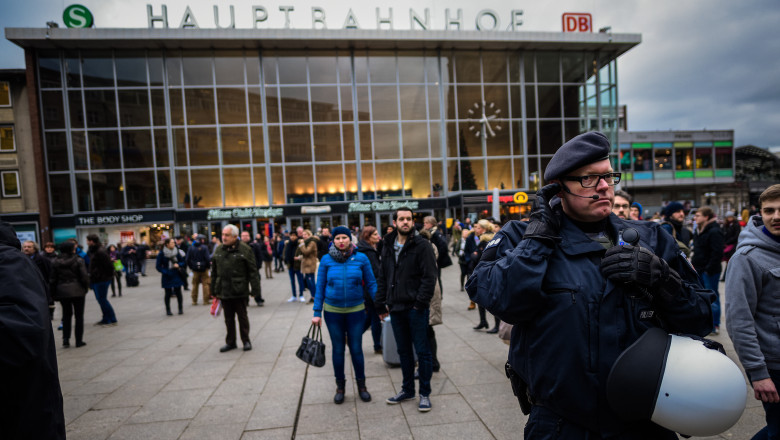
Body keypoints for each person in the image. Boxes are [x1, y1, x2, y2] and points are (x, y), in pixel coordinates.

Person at [467, 131, 713, 438]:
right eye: (588, 179)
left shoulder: (652, 237)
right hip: (562, 424)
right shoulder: (521, 236)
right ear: (559, 188)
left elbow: (703, 316)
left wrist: (663, 279)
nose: (603, 187)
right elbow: (504, 301)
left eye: (608, 177)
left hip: (648, 421)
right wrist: (537, 240)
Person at [0, 222, 66, 439]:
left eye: (30, 247)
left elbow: (25, 334)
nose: (27, 250)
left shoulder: (9, 262)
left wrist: (49, 300)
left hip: (22, 408)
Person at [726, 184, 780, 440]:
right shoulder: (747, 258)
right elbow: (739, 321)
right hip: (773, 365)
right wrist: (758, 373)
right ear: (760, 213)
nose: (776, 216)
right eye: (769, 210)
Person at [375, 208, 438, 412]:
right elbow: (383, 276)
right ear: (394, 221)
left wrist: (420, 303)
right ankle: (408, 389)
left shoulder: (422, 245)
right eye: (401, 219)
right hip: (396, 307)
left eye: (408, 219)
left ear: (412, 222)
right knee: (403, 351)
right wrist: (380, 302)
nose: (405, 222)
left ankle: (425, 393)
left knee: (423, 351)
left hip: (415, 308)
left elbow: (429, 277)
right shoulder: (387, 244)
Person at [312, 226, 378, 404]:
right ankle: (340, 387)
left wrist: (380, 304)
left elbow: (371, 283)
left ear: (350, 239)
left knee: (356, 349)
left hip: (356, 311)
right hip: (333, 313)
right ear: (333, 240)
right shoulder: (326, 260)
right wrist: (317, 312)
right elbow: (320, 287)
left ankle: (362, 386)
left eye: (344, 238)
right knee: (338, 349)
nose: (341, 241)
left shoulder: (361, 258)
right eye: (338, 238)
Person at [211, 225, 261, 352]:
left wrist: (255, 290)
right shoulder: (219, 250)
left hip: (240, 289)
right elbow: (214, 272)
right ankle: (231, 342)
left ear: (234, 236)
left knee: (242, 317)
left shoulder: (245, 249)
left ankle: (246, 341)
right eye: (223, 234)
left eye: (227, 235)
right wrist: (213, 290)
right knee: (228, 319)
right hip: (224, 290)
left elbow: (253, 271)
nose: (224, 237)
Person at [692, 206, 724, 334]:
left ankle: (715, 324)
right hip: (699, 268)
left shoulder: (714, 231)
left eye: (698, 215)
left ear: (706, 217)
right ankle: (705, 323)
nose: (695, 218)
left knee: (713, 297)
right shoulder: (699, 230)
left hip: (709, 270)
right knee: (701, 297)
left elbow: (717, 252)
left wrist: (708, 269)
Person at [50, 241, 89, 348]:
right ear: (72, 249)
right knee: (79, 316)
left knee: (66, 315)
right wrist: (85, 288)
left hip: (62, 291)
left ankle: (66, 339)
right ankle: (78, 340)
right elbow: (84, 277)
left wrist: (53, 293)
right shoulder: (78, 260)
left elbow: (53, 279)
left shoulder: (55, 262)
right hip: (77, 290)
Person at [419, 228, 444, 372]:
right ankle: (432, 362)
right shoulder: (430, 246)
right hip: (430, 293)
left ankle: (432, 362)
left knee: (426, 330)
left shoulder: (426, 248)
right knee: (427, 330)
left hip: (428, 294)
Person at [357, 226, 383, 354]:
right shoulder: (369, 252)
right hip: (371, 289)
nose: (378, 236)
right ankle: (377, 346)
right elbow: (375, 273)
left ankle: (352, 337)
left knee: (370, 317)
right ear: (368, 237)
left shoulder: (365, 248)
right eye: (375, 234)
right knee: (376, 318)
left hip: (365, 288)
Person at [472, 220, 500, 334]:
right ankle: (483, 321)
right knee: (482, 299)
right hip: (485, 273)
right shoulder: (483, 239)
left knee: (492, 300)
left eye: (478, 227)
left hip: (487, 274)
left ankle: (497, 325)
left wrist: (474, 255)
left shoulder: (485, 241)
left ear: (483, 229)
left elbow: (480, 258)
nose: (475, 229)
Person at [86, 234, 118, 326]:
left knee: (102, 299)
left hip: (101, 279)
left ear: (91, 241)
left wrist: (102, 275)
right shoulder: (94, 250)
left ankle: (111, 318)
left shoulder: (100, 251)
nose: (87, 242)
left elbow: (108, 265)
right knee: (100, 299)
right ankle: (106, 318)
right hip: (97, 279)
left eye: (88, 240)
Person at [423, 216, 453, 297]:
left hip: (435, 261)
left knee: (436, 280)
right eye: (424, 223)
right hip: (434, 260)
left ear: (432, 224)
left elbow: (443, 245)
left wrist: (436, 257)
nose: (424, 224)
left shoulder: (435, 233)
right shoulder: (430, 232)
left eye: (426, 223)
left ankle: (439, 296)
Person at [156, 238, 185, 315]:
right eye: (172, 243)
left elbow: (183, 261)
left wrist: (178, 265)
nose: (174, 244)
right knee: (168, 293)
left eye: (174, 243)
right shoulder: (162, 253)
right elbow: (158, 266)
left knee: (178, 292)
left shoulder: (176, 251)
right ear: (167, 244)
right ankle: (168, 310)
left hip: (176, 274)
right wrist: (165, 271)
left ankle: (180, 309)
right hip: (167, 275)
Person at [241, 230, 265, 306]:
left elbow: (260, 256)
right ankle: (245, 300)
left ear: (249, 236)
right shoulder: (239, 246)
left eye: (246, 235)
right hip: (243, 270)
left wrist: (258, 266)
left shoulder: (254, 245)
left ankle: (258, 299)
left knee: (256, 284)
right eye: (243, 236)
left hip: (254, 269)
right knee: (244, 286)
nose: (245, 237)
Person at [185, 236, 212, 305]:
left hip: (195, 269)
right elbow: (208, 259)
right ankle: (205, 301)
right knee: (205, 284)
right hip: (204, 268)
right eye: (202, 239)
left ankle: (194, 301)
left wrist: (191, 267)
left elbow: (187, 259)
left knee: (195, 285)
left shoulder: (191, 248)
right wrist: (208, 267)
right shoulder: (204, 247)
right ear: (201, 240)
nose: (203, 240)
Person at [298, 229, 320, 303]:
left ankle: (314, 297)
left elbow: (306, 252)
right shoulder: (306, 242)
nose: (303, 236)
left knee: (311, 282)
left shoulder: (312, 242)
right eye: (303, 234)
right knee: (309, 282)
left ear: (309, 235)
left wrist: (301, 244)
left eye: (305, 234)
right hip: (306, 264)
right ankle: (313, 296)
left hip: (310, 264)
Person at [284, 231, 305, 302]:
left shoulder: (299, 244)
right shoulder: (288, 244)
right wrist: (285, 260)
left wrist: (299, 257)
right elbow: (285, 253)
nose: (292, 237)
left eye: (294, 235)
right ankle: (294, 296)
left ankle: (301, 295)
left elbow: (303, 253)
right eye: (291, 235)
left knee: (300, 281)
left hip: (298, 265)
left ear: (296, 236)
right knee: (292, 281)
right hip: (290, 266)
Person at [721, 210, 741, 280]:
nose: (729, 218)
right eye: (728, 217)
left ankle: (726, 277)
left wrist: (728, 242)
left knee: (730, 261)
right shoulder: (725, 225)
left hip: (733, 245)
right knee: (728, 262)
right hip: (726, 245)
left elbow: (736, 235)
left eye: (730, 217)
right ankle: (725, 276)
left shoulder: (736, 224)